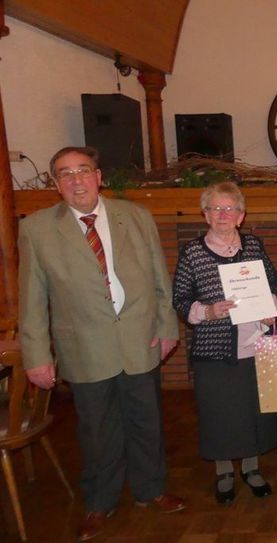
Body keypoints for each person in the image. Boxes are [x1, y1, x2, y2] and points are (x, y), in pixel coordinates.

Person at [18, 147, 185, 542]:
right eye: (65, 174)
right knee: (96, 430)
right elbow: (31, 299)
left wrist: (167, 328)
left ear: (99, 175)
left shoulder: (136, 217)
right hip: (84, 346)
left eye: (83, 170)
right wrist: (37, 356)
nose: (76, 180)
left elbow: (161, 281)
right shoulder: (37, 229)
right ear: (56, 184)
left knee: (146, 422)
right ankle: (99, 502)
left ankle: (151, 490)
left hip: (140, 339)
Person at [172, 181, 277, 505]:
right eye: (216, 208)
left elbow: (273, 284)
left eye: (230, 209)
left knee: (255, 411)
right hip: (215, 349)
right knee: (220, 413)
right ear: (205, 214)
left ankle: (252, 468)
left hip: (258, 345)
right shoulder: (193, 252)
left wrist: (273, 309)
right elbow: (180, 300)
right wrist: (208, 311)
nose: (223, 214)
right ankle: (224, 471)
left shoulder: (253, 245)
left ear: (241, 215)